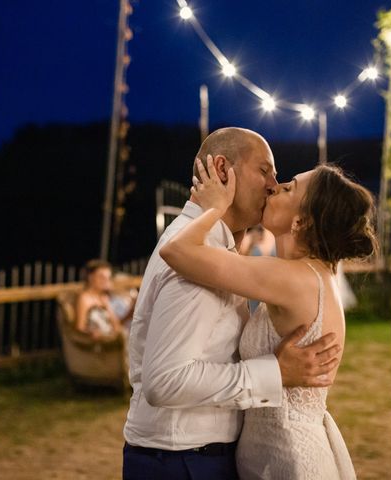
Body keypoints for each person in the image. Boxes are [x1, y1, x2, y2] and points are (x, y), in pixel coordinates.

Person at [122, 127, 341, 480]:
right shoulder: (198, 254)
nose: (273, 184)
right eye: (264, 170)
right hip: (184, 460)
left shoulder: (212, 249)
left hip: (194, 457)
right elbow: (164, 380)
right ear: (222, 169)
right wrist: (275, 373)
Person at [160, 156, 377, 478]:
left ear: (301, 221)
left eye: (288, 188)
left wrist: (214, 207)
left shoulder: (294, 278)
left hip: (289, 461)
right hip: (272, 456)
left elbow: (176, 251)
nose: (275, 187)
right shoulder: (304, 273)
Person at [75, 259, 134, 341]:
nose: (106, 281)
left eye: (108, 277)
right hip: (98, 343)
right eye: (102, 277)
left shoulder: (105, 297)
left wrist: (107, 306)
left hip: (111, 340)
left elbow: (117, 327)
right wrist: (90, 332)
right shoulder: (85, 298)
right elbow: (80, 328)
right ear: (90, 277)